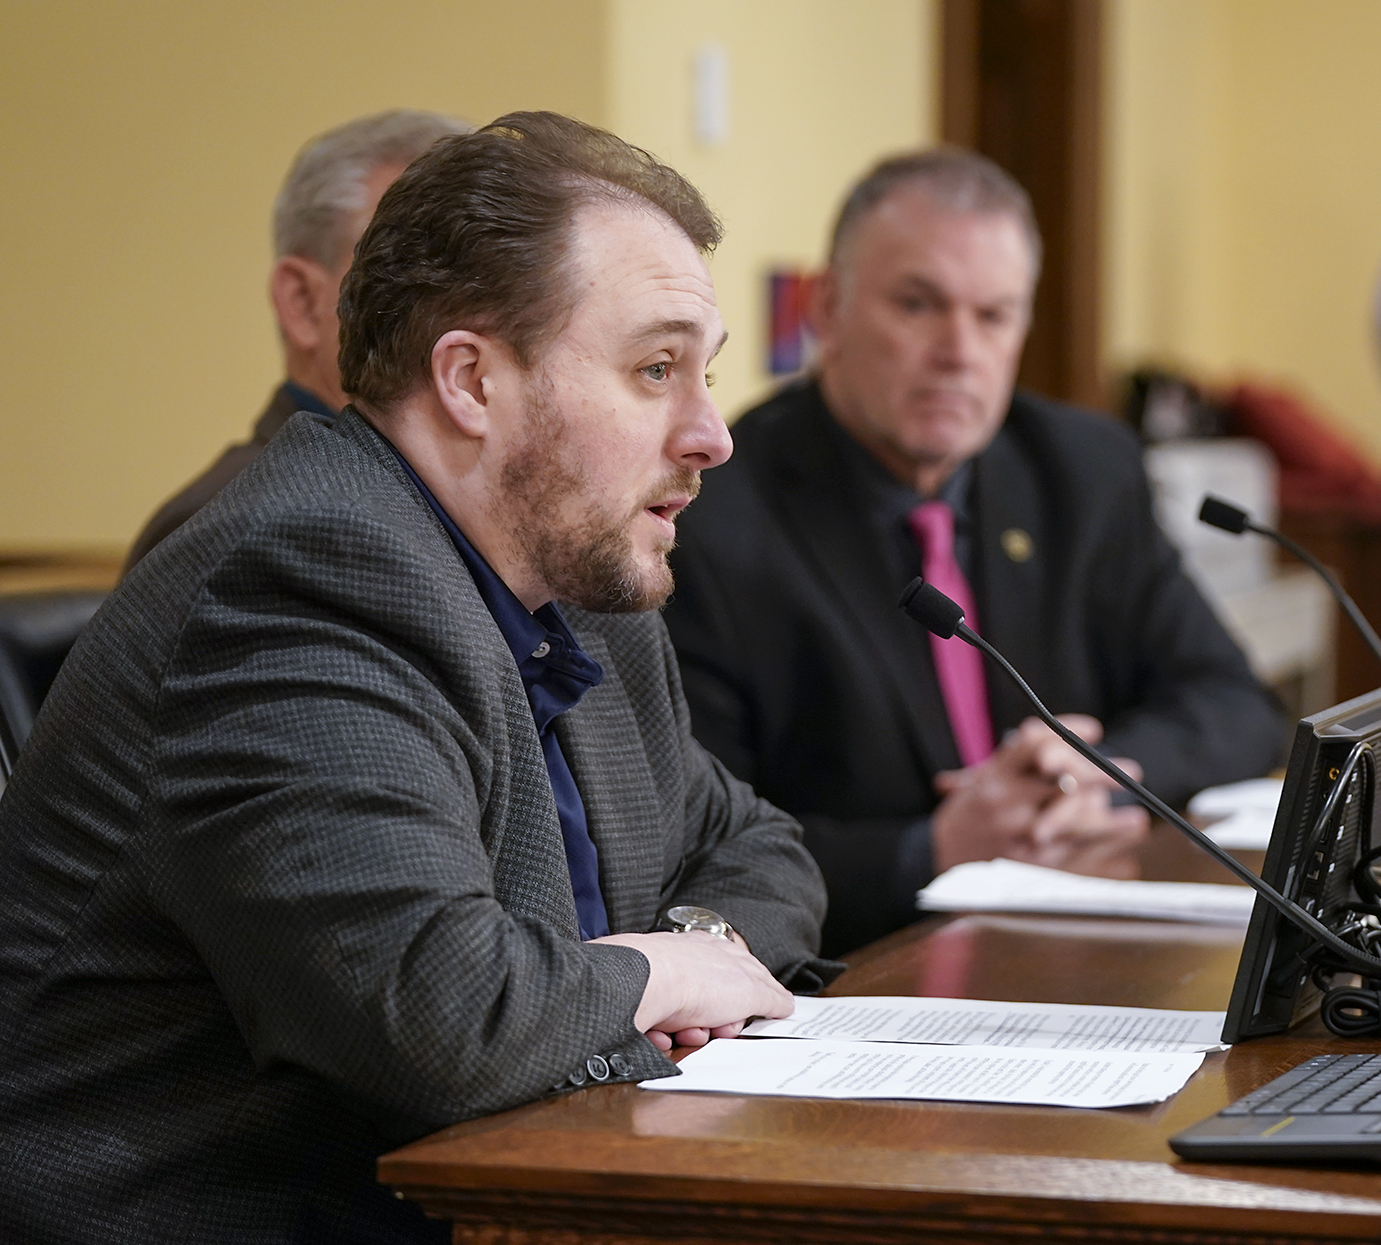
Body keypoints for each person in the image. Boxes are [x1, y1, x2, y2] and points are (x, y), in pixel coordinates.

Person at [0, 113, 836, 1244]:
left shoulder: (578, 579)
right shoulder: (299, 580)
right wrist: (661, 979)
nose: (711, 434)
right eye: (655, 369)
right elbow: (441, 1017)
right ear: (472, 380)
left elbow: (760, 848)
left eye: (708, 374)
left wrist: (691, 950)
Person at [664, 149, 1286, 957]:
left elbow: (1235, 702)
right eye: (919, 305)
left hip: (1079, 950)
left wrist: (1102, 772)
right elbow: (691, 847)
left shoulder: (1083, 470)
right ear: (828, 307)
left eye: (994, 316)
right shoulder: (712, 517)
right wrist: (932, 850)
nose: (960, 350)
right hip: (856, 973)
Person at [125, 108, 471, 569]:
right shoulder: (237, 524)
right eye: (418, 269)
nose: (472, 312)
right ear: (303, 303)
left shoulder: (454, 502)